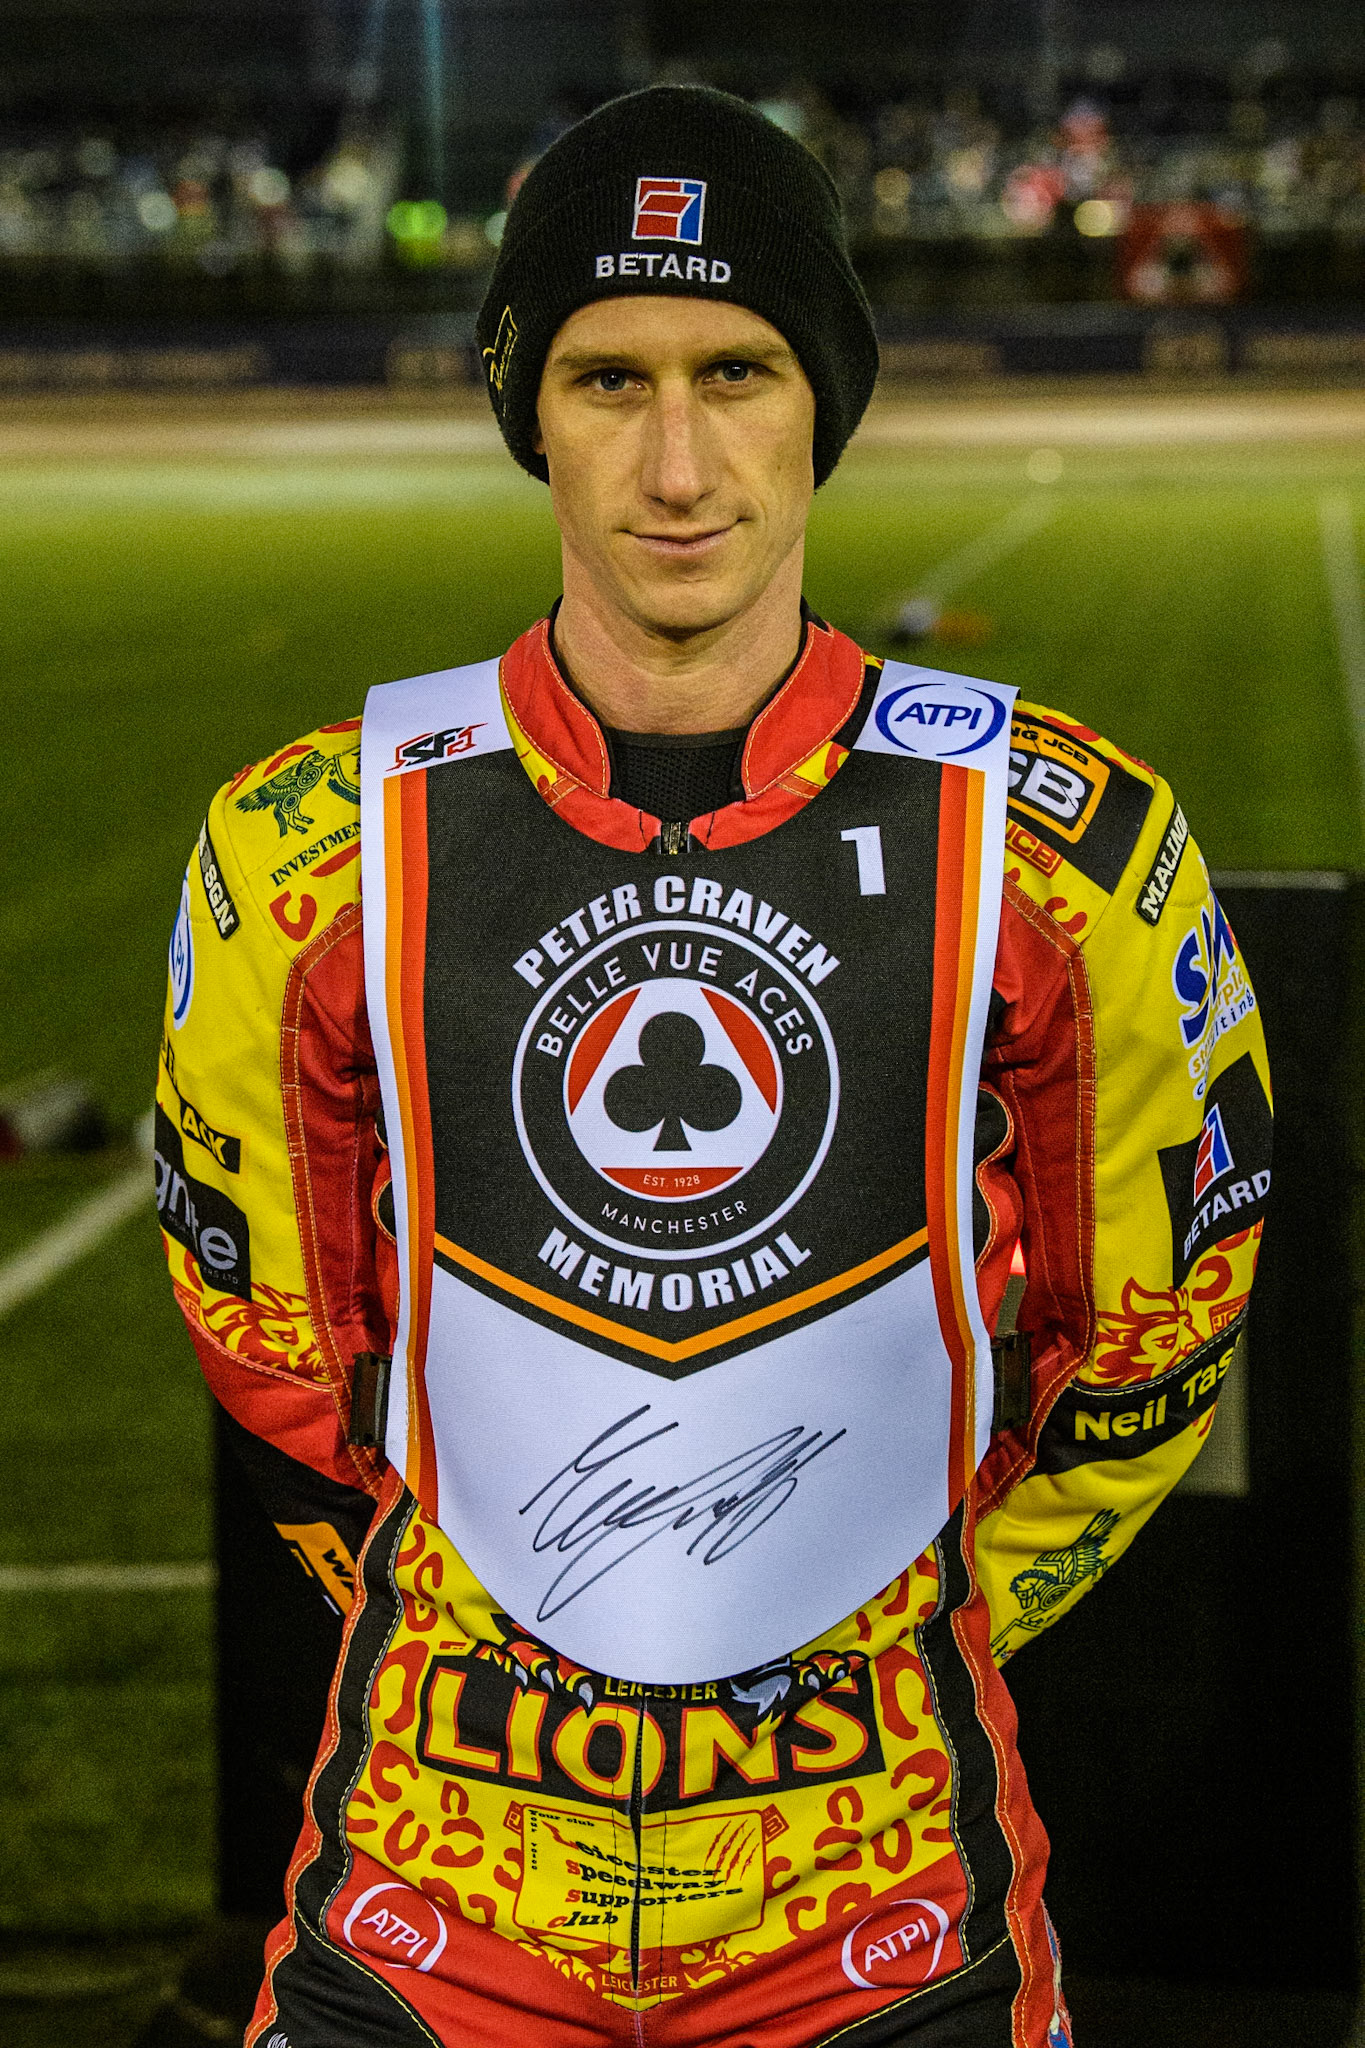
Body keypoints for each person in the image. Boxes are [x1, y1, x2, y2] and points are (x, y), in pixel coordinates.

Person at [155, 85, 1271, 2048]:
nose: (676, 465)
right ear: (529, 411)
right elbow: (270, 1348)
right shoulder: (303, 848)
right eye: (608, 380)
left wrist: (899, 1612)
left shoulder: (1065, 846)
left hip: (883, 1901)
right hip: (426, 1900)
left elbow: (1159, 1331)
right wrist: (500, 1621)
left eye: (735, 373)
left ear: (819, 399)